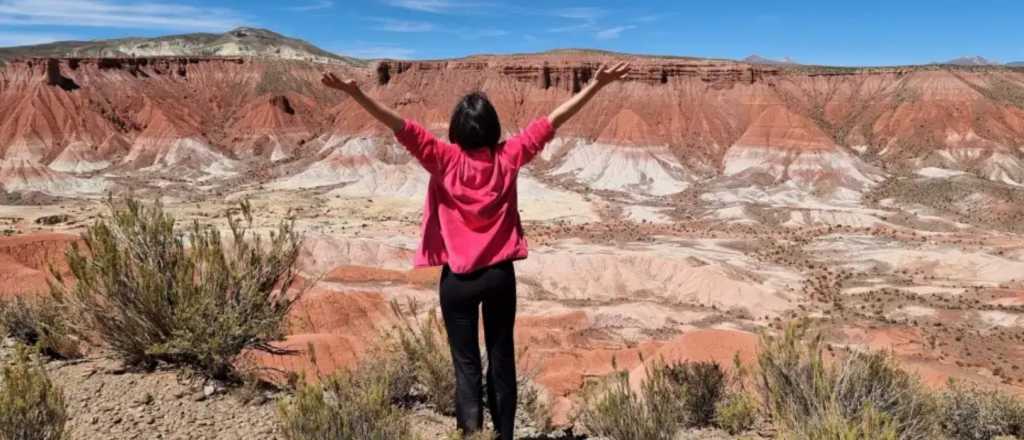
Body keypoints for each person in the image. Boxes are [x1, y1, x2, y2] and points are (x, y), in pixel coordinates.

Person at [322, 61, 631, 439]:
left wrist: (354, 93)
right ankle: (503, 436)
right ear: (493, 128)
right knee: (502, 361)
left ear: (456, 130)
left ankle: (471, 436)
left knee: (465, 365)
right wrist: (595, 86)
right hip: (500, 277)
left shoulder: (442, 158)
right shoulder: (509, 157)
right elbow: (552, 122)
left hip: (458, 281)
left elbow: (399, 126)